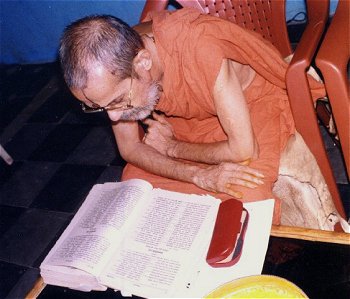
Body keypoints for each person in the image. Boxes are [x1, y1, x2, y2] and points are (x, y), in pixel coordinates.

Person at [59, 8, 324, 224]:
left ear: (143, 62)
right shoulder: (118, 72)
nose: (114, 118)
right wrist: (198, 174)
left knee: (247, 196)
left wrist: (173, 148)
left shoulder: (200, 47)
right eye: (98, 107)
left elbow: (244, 148)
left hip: (251, 103)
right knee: (134, 185)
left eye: (117, 102)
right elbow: (129, 147)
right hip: (193, 123)